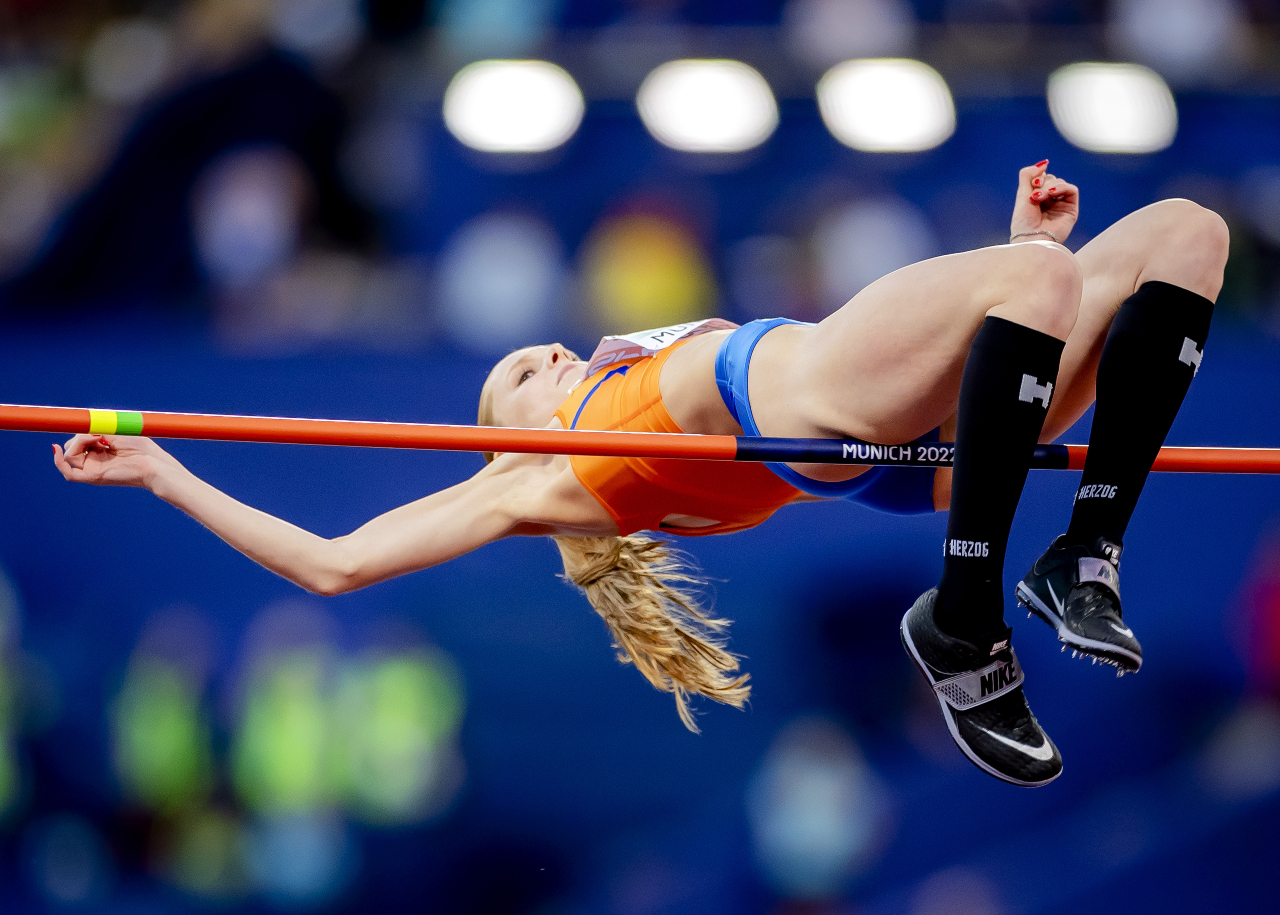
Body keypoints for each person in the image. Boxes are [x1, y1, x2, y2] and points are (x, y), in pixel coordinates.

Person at [53, 162, 1229, 787]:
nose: (547, 354)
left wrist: (1028, 253)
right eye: (521, 371)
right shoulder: (532, 480)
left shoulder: (609, 387)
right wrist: (162, 470)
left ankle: (1082, 550)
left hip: (896, 442)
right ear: (505, 436)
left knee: (1183, 235)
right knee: (1033, 285)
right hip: (822, 394)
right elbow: (331, 563)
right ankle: (967, 619)